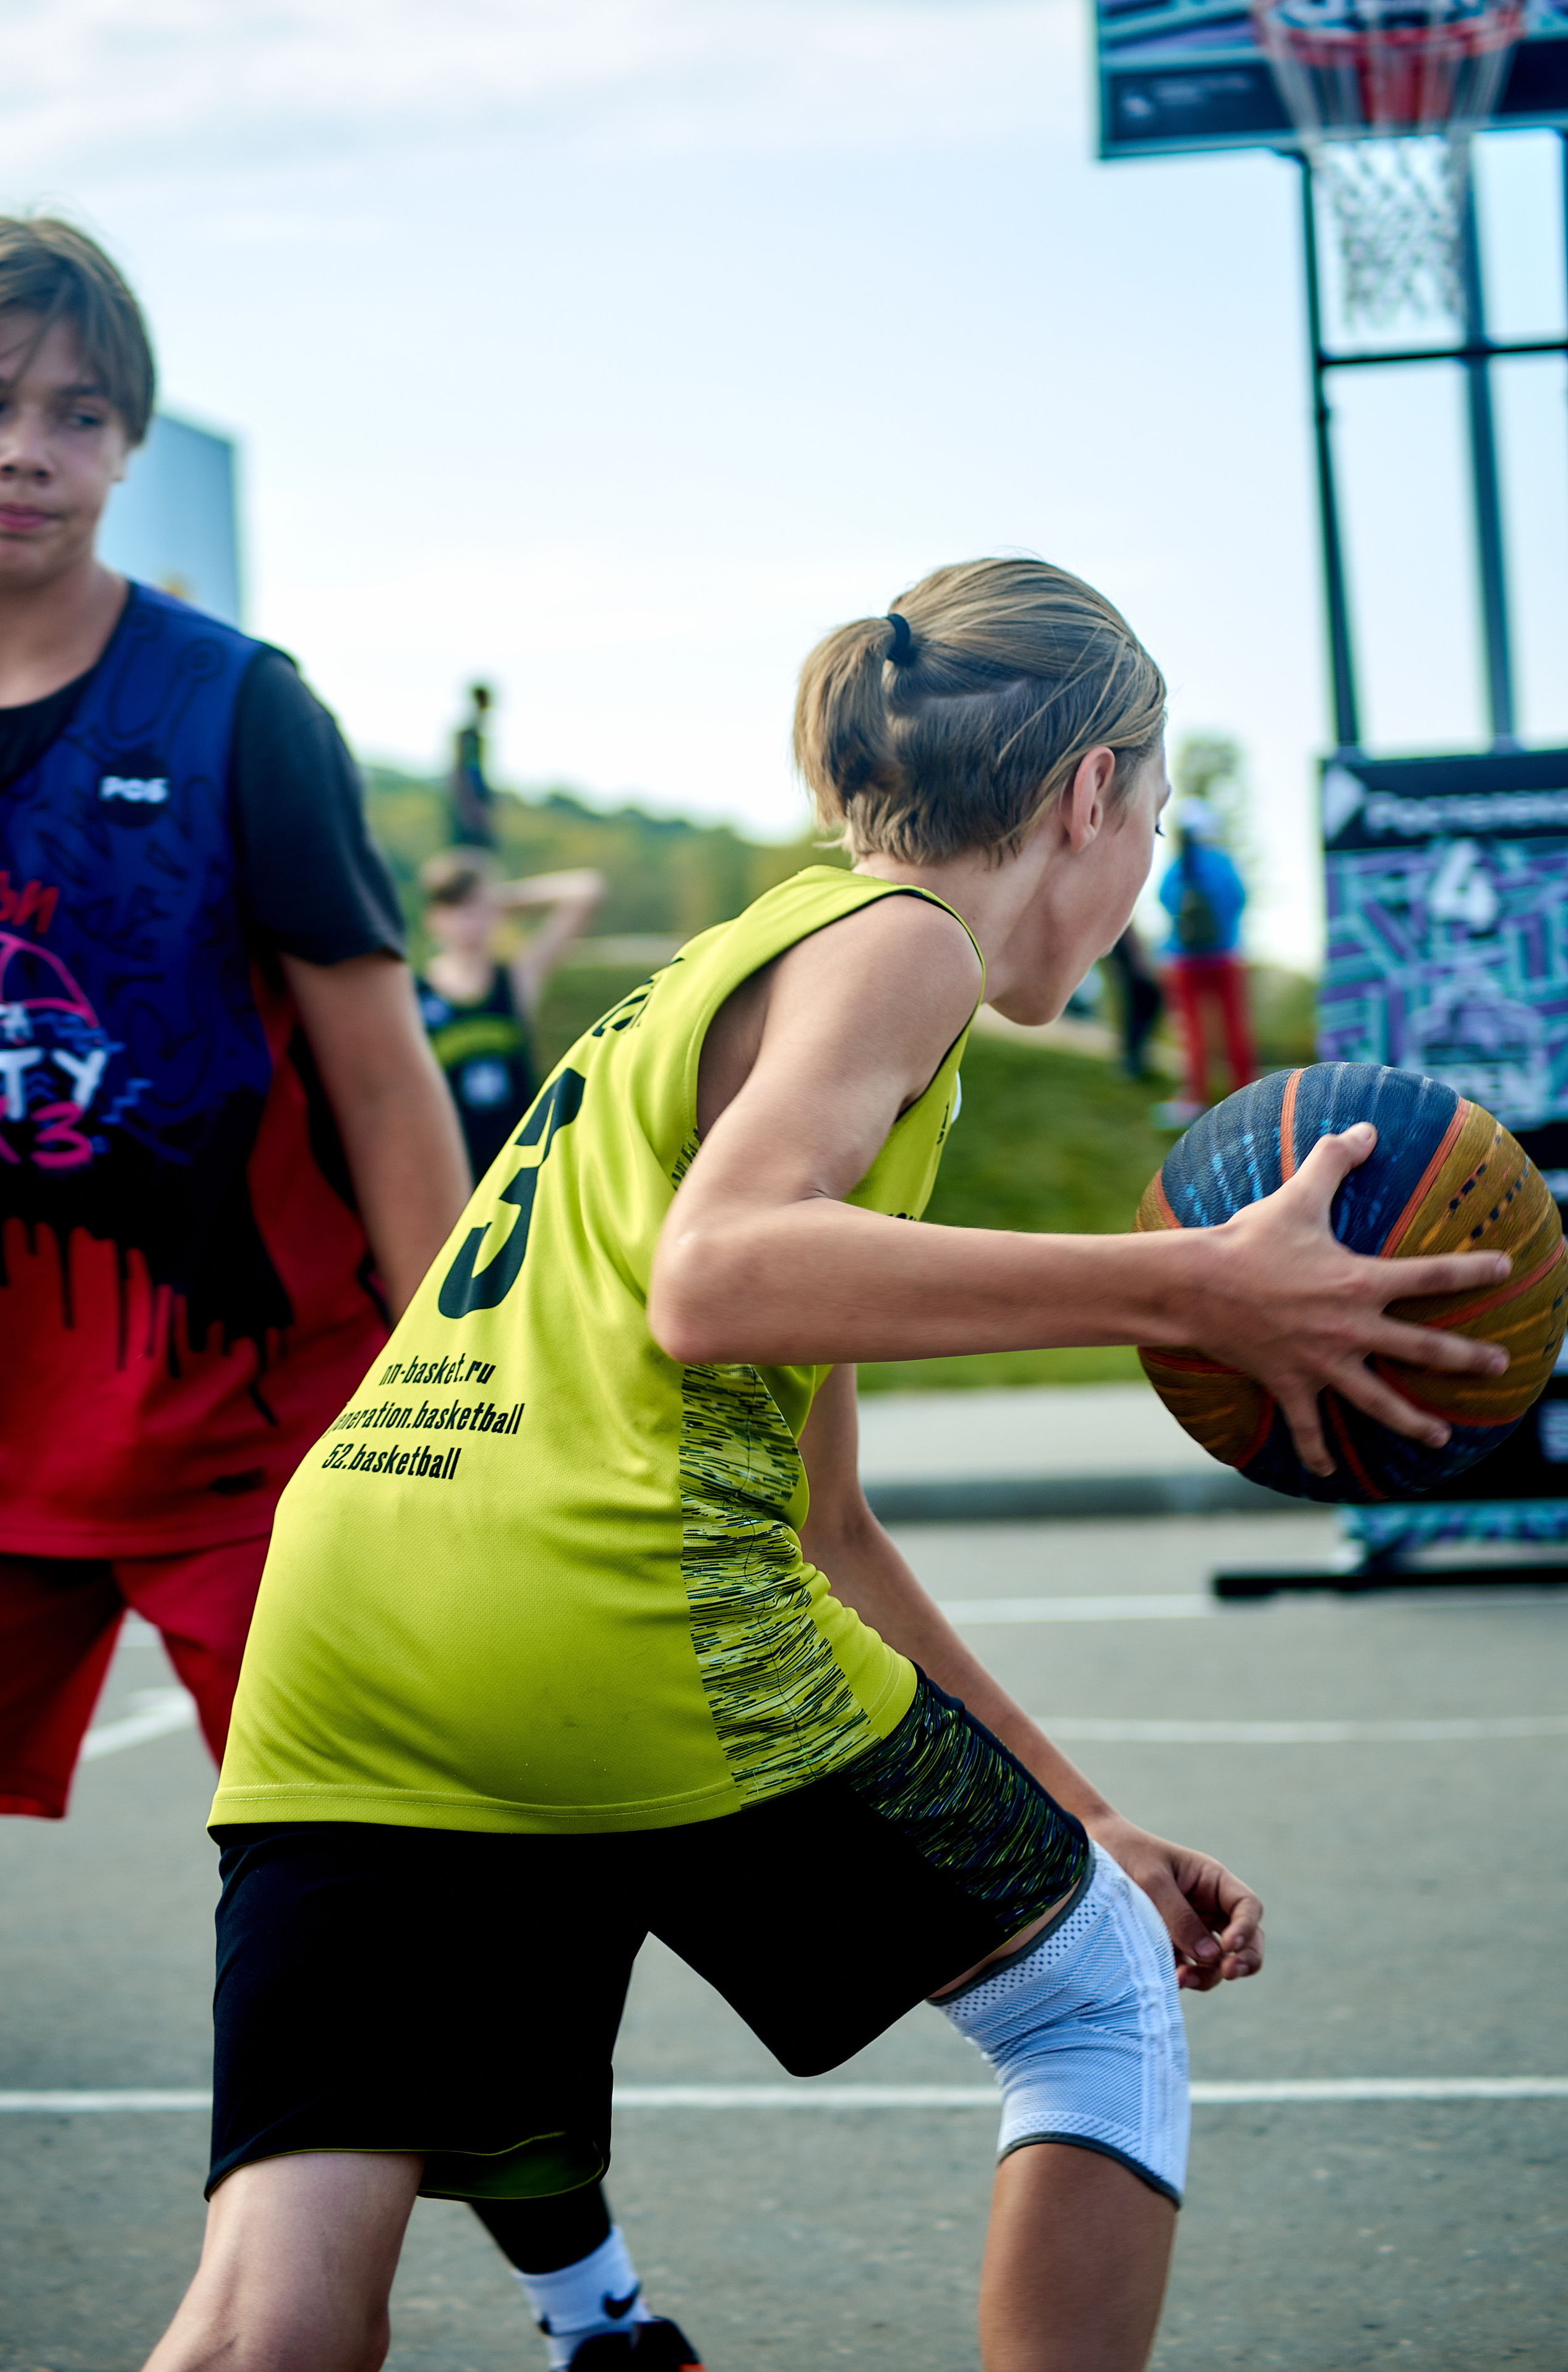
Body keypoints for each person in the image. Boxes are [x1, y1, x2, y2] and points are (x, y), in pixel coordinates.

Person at [147, 559, 1511, 2372]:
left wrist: (1075, 1811)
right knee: (1095, 2003)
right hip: (612, 1605)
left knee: (276, 2310)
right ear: (1090, 794)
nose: (1131, 886)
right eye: (1157, 813)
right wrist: (1188, 1282)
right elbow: (720, 1281)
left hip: (351, 1616)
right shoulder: (906, 944)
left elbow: (825, 1518)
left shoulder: (737, 973)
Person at [0, 215, 471, 1819]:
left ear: (128, 444)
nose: (28, 450)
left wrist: (457, 1380)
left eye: (78, 414)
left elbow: (388, 1085)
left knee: (360, 1866)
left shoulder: (238, 707)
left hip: (251, 1425)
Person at [416, 848, 604, 1180]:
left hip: (517, 1169)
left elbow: (586, 890)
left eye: (477, 907)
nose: (468, 920)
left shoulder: (516, 980)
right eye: (456, 907)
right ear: (433, 918)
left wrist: (499, 898)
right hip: (451, 1170)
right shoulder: (415, 995)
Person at [1155, 797, 1255, 1119]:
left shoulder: (1177, 866)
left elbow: (1164, 899)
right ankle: (1246, 1097)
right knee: (1235, 1027)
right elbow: (1240, 898)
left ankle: (1195, 1098)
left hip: (1184, 960)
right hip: (1225, 956)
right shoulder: (1222, 862)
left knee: (1192, 1031)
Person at [1104, 921, 1163, 1078]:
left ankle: (1134, 1060)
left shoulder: (1113, 927)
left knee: (1136, 1019)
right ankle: (1132, 1062)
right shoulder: (1120, 925)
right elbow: (1133, 952)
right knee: (1137, 1019)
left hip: (1131, 978)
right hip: (1136, 978)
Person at [450, 681, 497, 846]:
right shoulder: (469, 735)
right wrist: (472, 806)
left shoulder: (476, 734)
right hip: (470, 798)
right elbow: (462, 770)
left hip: (476, 795)